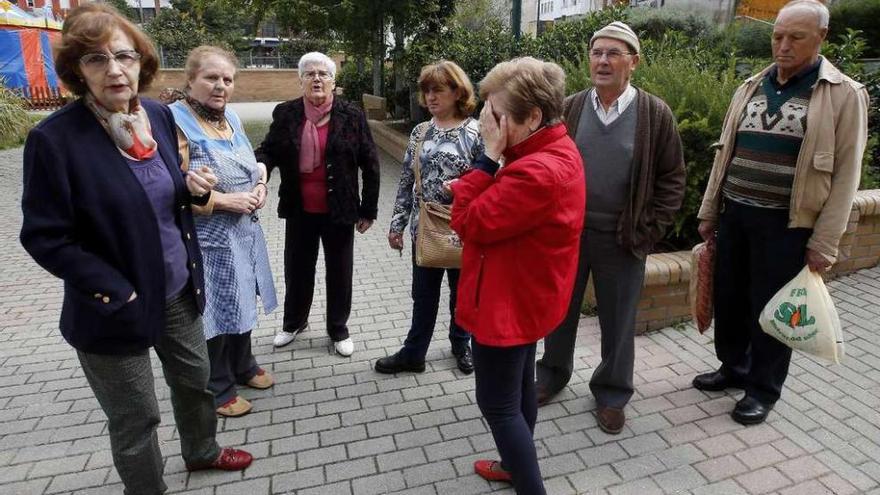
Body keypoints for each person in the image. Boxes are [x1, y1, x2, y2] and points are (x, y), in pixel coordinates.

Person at [19, 5, 252, 493]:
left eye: (123, 56)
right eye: (95, 60)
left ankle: (202, 451)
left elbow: (160, 191)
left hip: (177, 289)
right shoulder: (55, 140)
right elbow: (44, 236)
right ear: (76, 72)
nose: (114, 70)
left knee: (195, 381)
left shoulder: (158, 117)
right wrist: (113, 289)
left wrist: (188, 185)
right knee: (136, 417)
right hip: (114, 305)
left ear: (140, 62)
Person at [693, 0, 869, 425]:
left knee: (771, 311)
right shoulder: (751, 85)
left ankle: (763, 389)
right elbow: (724, 155)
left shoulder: (843, 94)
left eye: (796, 37)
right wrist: (711, 210)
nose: (783, 45)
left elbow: (847, 176)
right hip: (736, 212)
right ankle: (733, 368)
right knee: (730, 300)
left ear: (821, 37)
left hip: (787, 225)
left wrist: (824, 243)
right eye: (777, 36)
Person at [535, 21, 686, 434]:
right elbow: (543, 166)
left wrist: (648, 230)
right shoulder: (568, 108)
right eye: (597, 52)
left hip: (623, 238)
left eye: (614, 53)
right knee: (558, 312)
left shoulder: (655, 113)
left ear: (633, 62)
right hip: (567, 235)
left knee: (618, 321)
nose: (603, 61)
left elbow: (672, 179)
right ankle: (551, 374)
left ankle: (612, 393)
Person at [450, 57, 585, 494]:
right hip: (524, 294)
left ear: (532, 117)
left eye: (496, 114)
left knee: (498, 404)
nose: (485, 121)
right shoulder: (545, 149)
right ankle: (513, 466)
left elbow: (467, 220)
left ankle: (529, 484)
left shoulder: (536, 170)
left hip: (505, 304)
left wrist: (487, 158)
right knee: (519, 388)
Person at [169, 46, 278, 418]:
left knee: (243, 297)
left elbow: (250, 165)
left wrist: (260, 186)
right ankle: (217, 388)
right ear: (190, 80)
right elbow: (169, 188)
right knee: (216, 308)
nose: (220, 86)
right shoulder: (175, 122)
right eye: (211, 78)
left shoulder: (230, 115)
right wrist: (222, 201)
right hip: (208, 238)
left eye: (227, 79)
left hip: (243, 234)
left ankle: (243, 365)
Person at [255, 51, 380, 357]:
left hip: (340, 209)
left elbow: (371, 162)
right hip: (299, 208)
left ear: (333, 81)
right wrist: (261, 167)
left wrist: (369, 209)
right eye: (309, 74)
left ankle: (338, 329)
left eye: (323, 74)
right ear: (300, 81)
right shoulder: (286, 114)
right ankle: (294, 322)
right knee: (297, 269)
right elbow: (268, 150)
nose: (316, 79)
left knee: (340, 271)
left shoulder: (351, 115)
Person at [375, 61, 482, 375]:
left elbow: (490, 178)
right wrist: (396, 225)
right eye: (427, 90)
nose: (431, 97)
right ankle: (414, 352)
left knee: (462, 294)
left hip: (463, 227)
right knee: (423, 295)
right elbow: (407, 179)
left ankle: (462, 345)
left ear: (457, 91)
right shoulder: (421, 131)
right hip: (424, 228)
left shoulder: (475, 131)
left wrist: (463, 188)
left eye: (439, 89)